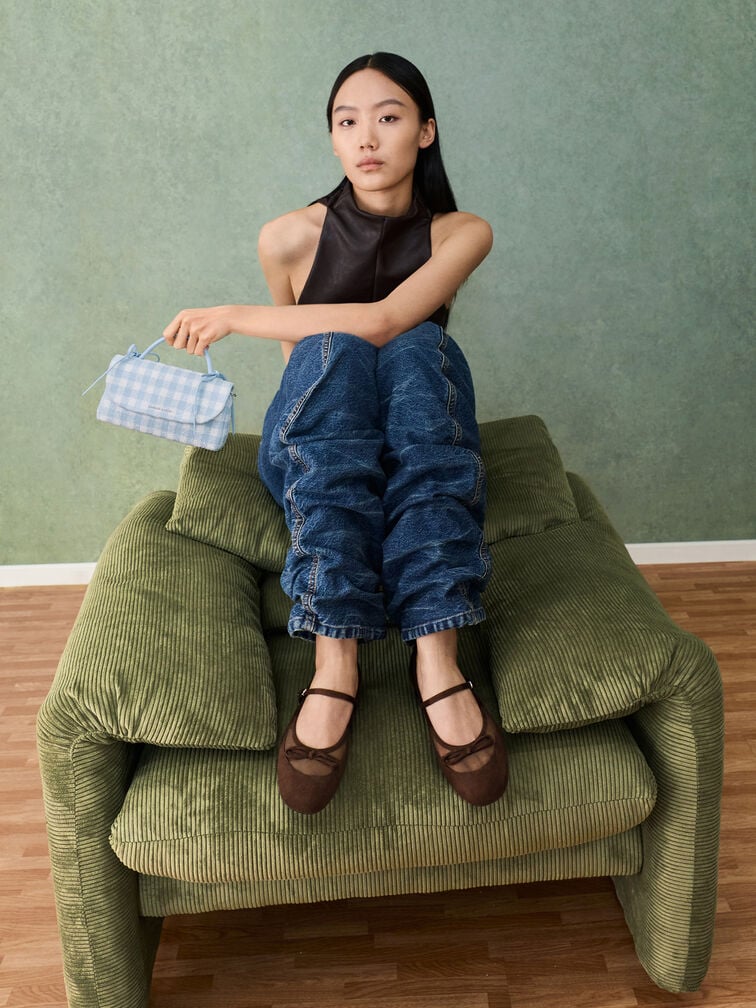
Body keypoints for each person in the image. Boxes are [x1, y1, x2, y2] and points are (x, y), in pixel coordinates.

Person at [164, 52, 508, 814]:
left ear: (425, 131)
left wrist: (235, 316)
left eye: (388, 117)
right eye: (347, 122)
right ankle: (335, 659)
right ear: (332, 138)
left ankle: (437, 657)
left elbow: (386, 318)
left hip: (419, 436)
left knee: (417, 346)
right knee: (330, 354)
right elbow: (303, 371)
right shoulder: (288, 237)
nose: (366, 138)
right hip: (319, 448)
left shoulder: (463, 232)